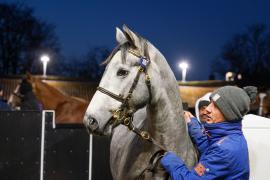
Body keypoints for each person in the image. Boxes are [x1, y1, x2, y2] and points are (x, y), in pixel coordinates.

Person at [161, 86, 257, 179]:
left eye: (216, 106)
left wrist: (171, 160)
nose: (207, 109)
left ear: (229, 114)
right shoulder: (230, 138)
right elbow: (208, 147)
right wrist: (193, 125)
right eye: (210, 103)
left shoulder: (225, 150)